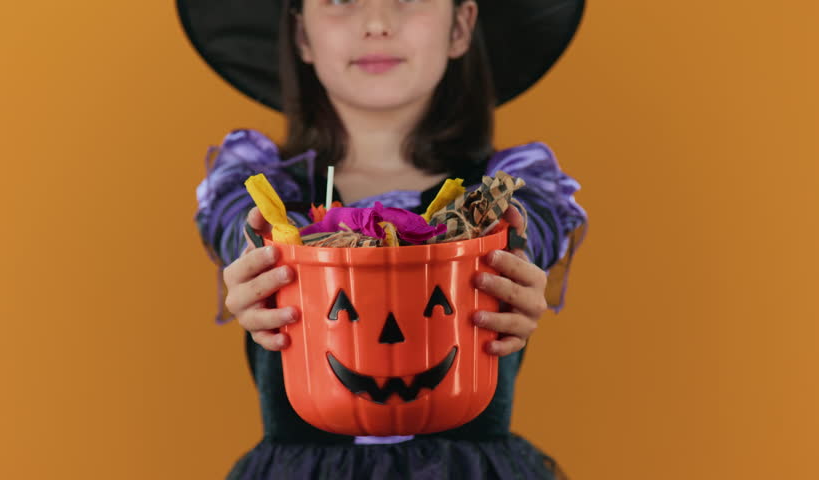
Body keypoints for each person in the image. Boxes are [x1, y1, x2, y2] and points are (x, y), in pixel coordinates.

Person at [178, 0, 589, 478]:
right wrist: (258, 259)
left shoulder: (506, 192)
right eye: (339, 0)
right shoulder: (258, 191)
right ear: (302, 35)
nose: (377, 24)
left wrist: (515, 254)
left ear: (460, 26)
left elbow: (528, 226)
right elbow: (241, 228)